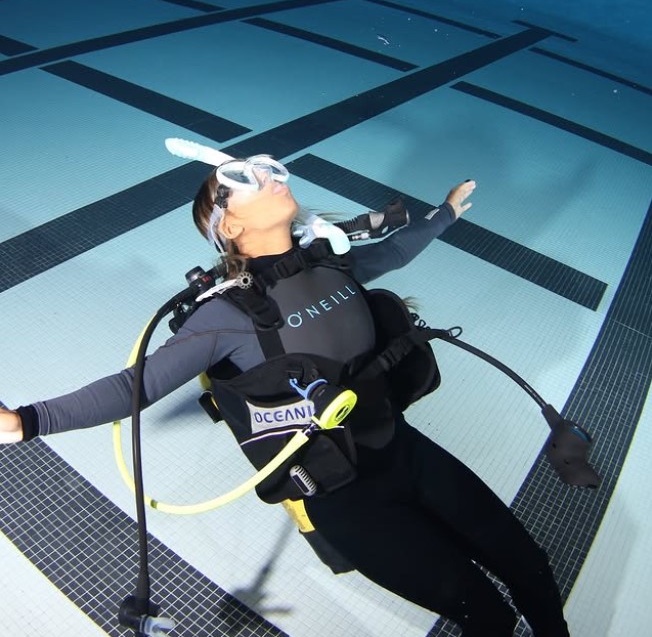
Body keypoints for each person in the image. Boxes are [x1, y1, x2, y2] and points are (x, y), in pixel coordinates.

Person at [0, 143, 570, 637]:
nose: (272, 176)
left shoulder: (331, 266)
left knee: (532, 568)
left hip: (404, 450)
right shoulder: (224, 317)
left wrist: (443, 213)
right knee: (488, 618)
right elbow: (137, 384)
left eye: (270, 168)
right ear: (230, 225)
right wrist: (26, 422)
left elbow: (395, 250)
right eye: (244, 179)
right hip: (343, 497)